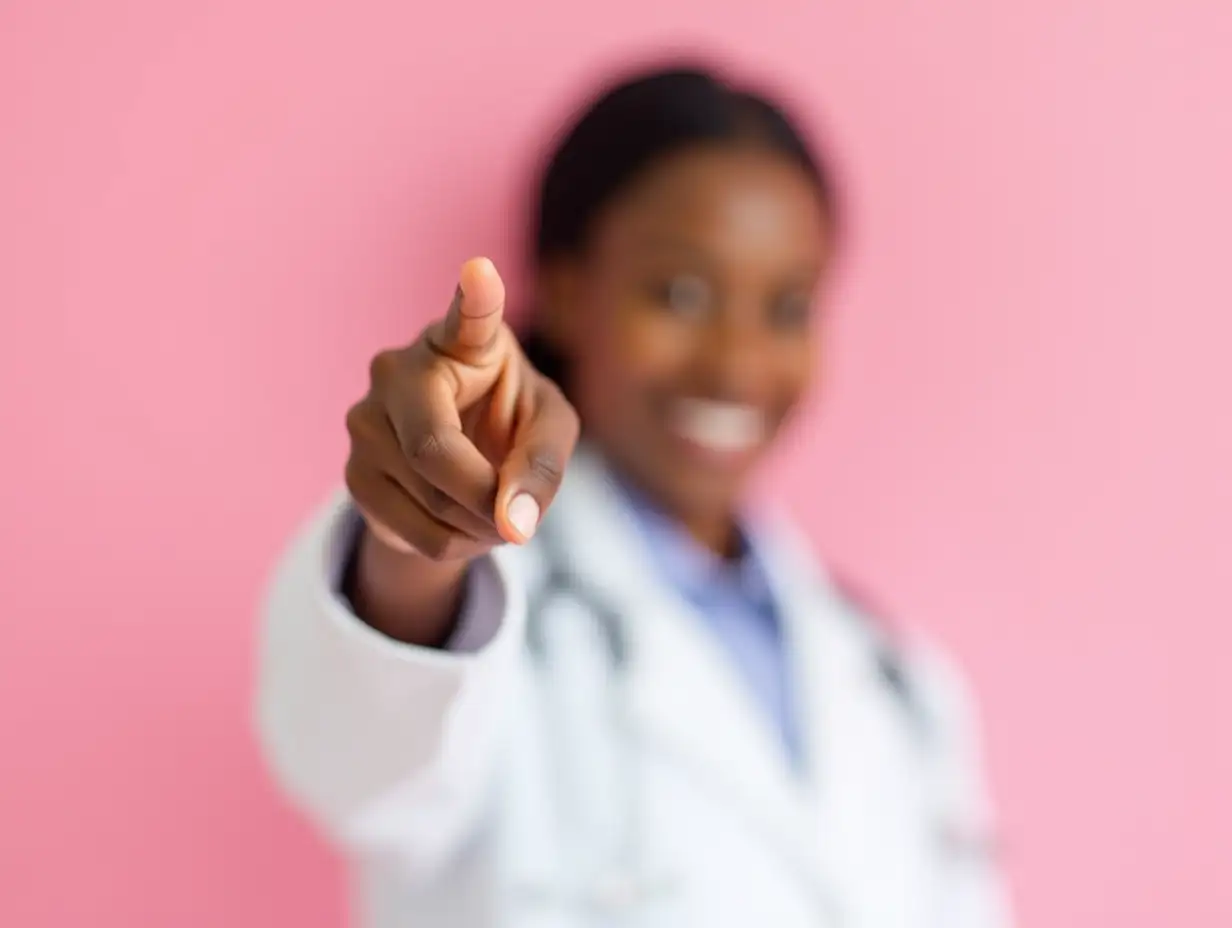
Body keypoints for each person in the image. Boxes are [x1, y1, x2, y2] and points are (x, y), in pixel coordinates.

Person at [255, 64, 1011, 928]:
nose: (736, 364)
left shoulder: (898, 681)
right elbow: (358, 764)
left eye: (788, 306)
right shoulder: (491, 611)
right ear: (571, 289)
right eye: (680, 292)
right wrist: (413, 541)